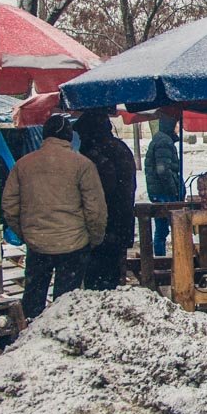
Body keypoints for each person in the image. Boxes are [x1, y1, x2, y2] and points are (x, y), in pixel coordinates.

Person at [2, 114, 106, 319]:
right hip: (73, 244)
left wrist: (25, 233)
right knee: (65, 304)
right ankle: (61, 337)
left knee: (33, 298)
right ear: (69, 136)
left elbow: (9, 205)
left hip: (37, 243)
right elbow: (95, 209)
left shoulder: (23, 165)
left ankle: (28, 336)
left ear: (44, 135)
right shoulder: (82, 165)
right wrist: (94, 238)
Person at [74, 111, 137, 290]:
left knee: (97, 280)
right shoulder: (120, 147)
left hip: (103, 226)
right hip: (121, 222)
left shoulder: (95, 152)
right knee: (113, 276)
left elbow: (97, 192)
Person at [144, 114, 183, 257]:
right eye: (177, 124)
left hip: (158, 191)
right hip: (163, 192)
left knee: (162, 227)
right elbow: (163, 170)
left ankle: (162, 257)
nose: (179, 127)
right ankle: (162, 258)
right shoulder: (164, 142)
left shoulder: (161, 139)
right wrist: (173, 190)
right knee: (163, 228)